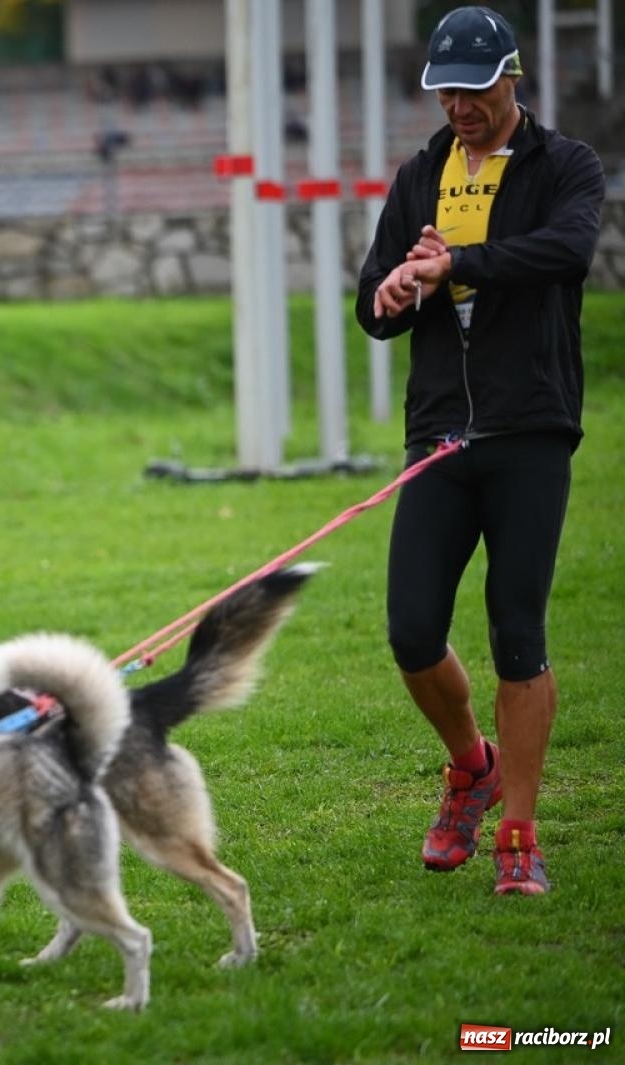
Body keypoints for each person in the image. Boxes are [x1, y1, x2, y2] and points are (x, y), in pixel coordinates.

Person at [355, 6, 605, 895]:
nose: (458, 105)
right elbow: (373, 304)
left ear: (512, 77)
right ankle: (472, 764)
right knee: (412, 630)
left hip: (530, 429)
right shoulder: (420, 173)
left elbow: (567, 251)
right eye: (444, 90)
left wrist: (455, 263)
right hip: (440, 436)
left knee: (517, 633)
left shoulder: (563, 165)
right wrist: (393, 288)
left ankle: (519, 835)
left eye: (473, 87)